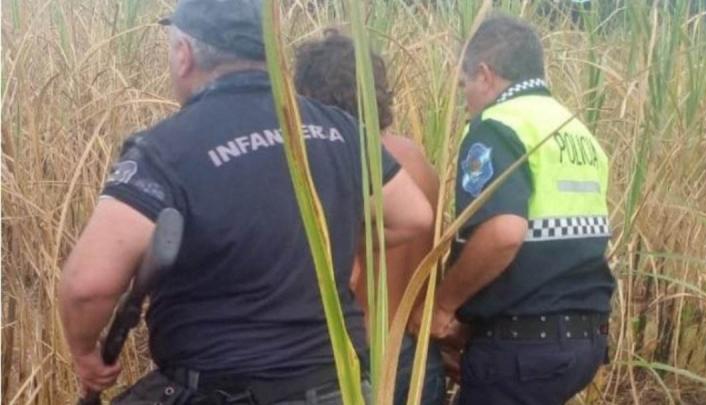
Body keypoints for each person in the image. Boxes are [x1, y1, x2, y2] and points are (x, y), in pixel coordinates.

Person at [59, 1, 434, 404]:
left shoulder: (166, 149)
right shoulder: (339, 128)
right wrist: (320, 246)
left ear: (184, 55)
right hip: (339, 389)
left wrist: (84, 353)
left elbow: (87, 287)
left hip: (224, 388)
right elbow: (413, 216)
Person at [416, 14, 615, 405]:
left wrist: (441, 306)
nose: (466, 102)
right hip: (584, 340)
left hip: (524, 346)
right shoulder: (575, 130)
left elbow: (504, 233)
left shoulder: (497, 126)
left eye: (465, 85)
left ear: (485, 75)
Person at [294, 31, 446, 405]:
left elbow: (345, 274)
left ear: (309, 95)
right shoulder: (417, 162)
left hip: (356, 361)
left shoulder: (332, 167)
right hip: (415, 355)